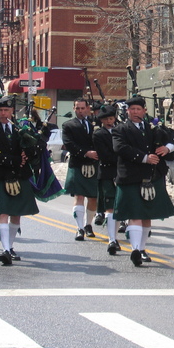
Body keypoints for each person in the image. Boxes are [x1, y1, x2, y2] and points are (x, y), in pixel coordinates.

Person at [112, 96, 174, 266]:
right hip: (130, 177)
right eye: (131, 109)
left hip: (152, 177)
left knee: (146, 215)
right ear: (127, 111)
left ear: (144, 111)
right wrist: (144, 158)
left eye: (138, 109)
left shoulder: (153, 127)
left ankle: (141, 249)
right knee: (135, 214)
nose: (135, 112)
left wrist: (167, 148)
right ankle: (135, 249)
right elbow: (120, 148)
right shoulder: (121, 129)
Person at [0, 95, 41, 266]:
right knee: (3, 212)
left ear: (12, 111)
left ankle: (11, 246)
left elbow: (34, 147)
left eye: (6, 110)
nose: (3, 113)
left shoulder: (19, 128)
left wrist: (28, 152)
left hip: (20, 174)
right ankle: (5, 249)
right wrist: (14, 160)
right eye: (0, 110)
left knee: (16, 214)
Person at [62, 98, 99, 241]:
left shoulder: (95, 123)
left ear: (88, 108)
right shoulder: (68, 125)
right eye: (77, 108)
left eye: (83, 108)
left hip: (94, 163)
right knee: (79, 196)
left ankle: (88, 225)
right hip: (78, 163)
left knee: (93, 197)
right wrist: (86, 152)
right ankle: (79, 228)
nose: (80, 111)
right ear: (74, 109)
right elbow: (69, 144)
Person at [92, 104, 121, 255]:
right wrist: (123, 157)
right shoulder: (99, 135)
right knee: (110, 206)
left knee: (120, 207)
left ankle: (115, 237)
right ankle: (111, 239)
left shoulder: (121, 131)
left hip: (122, 174)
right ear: (101, 120)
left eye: (111, 118)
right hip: (108, 173)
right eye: (106, 119)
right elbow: (105, 155)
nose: (109, 121)